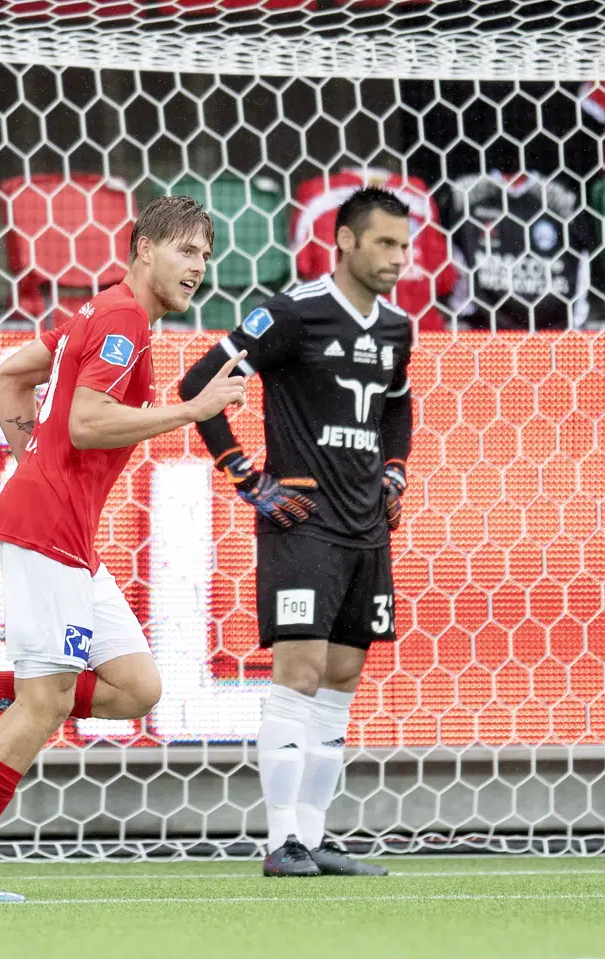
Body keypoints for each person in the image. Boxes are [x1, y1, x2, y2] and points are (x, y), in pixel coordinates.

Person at [0, 195, 249, 902]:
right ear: (144, 249)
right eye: (185, 250)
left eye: (205, 256)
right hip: (49, 528)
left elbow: (6, 375)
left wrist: (34, 460)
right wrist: (192, 409)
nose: (198, 267)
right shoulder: (122, 319)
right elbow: (87, 422)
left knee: (137, 688)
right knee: (45, 703)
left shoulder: (98, 313)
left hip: (65, 530)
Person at [176, 187, 414, 878]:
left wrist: (394, 471)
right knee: (300, 674)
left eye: (404, 246)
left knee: (341, 678)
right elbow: (200, 382)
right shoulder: (293, 312)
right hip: (302, 520)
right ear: (345, 240)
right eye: (384, 243)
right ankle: (282, 841)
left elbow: (397, 406)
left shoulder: (397, 327)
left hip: (366, 526)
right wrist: (246, 476)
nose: (398, 258)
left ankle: (314, 835)